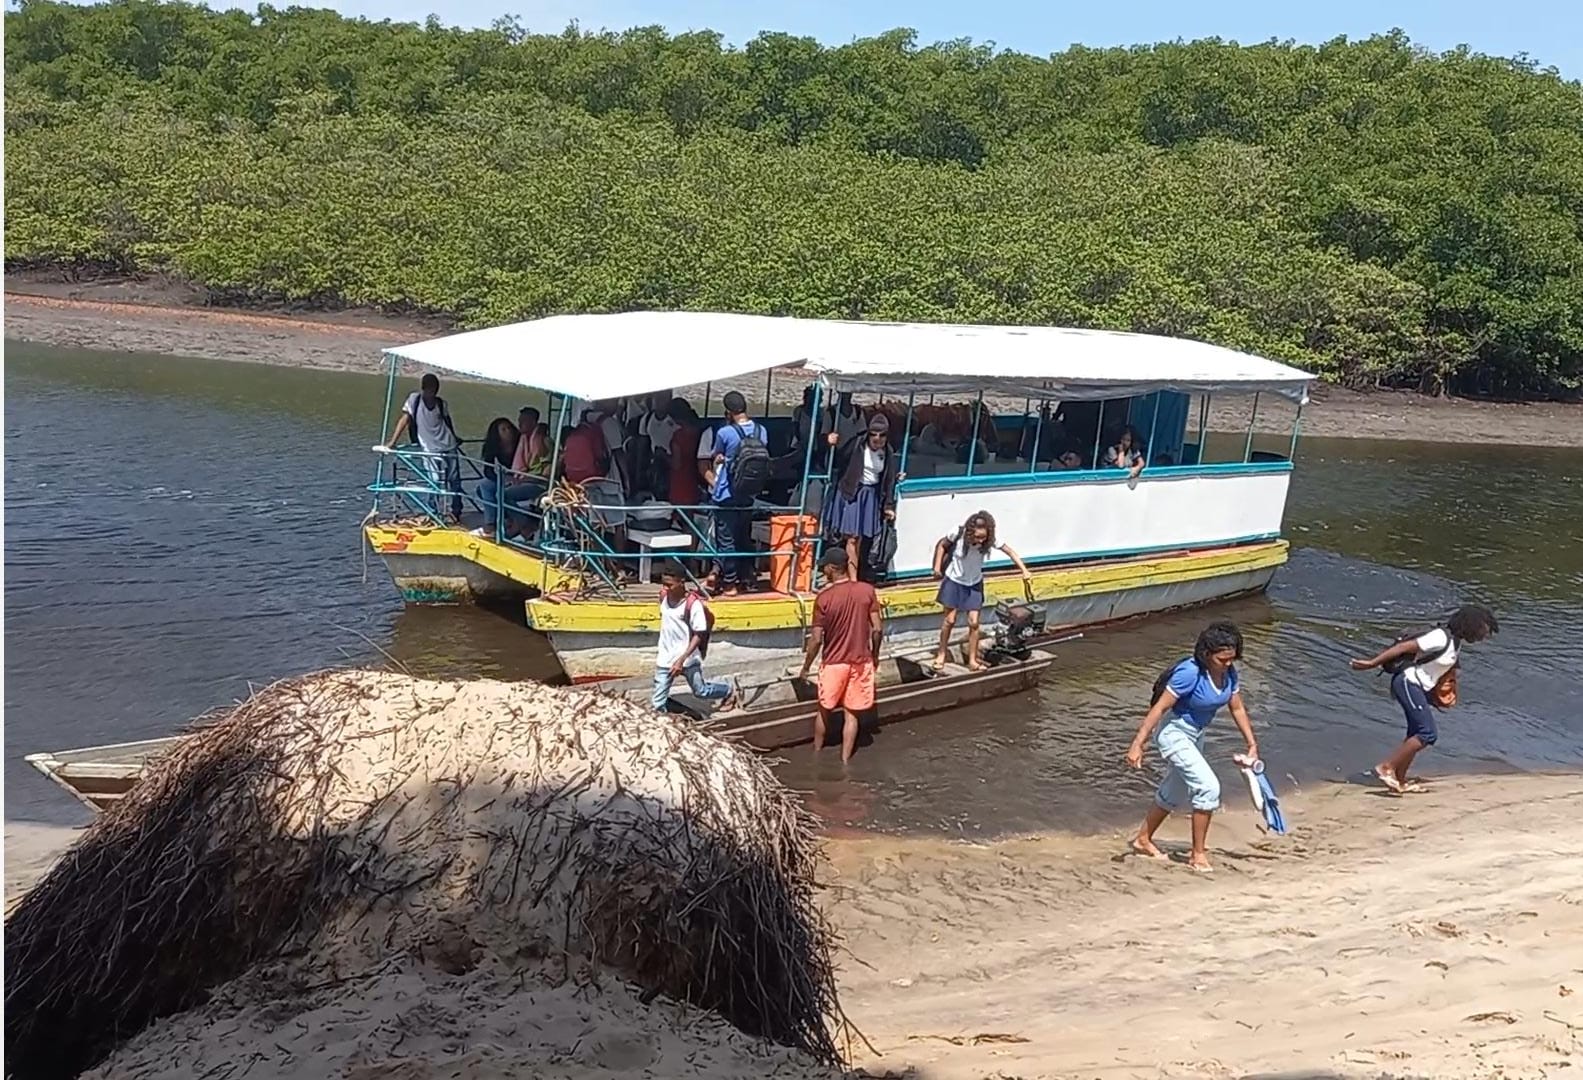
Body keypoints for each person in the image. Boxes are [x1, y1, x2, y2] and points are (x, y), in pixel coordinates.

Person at [1126, 621, 1259, 873]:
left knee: (1175, 790)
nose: (1228, 664)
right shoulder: (1190, 673)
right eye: (1222, 659)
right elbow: (1160, 708)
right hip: (1174, 732)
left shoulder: (1229, 673)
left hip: (1196, 734)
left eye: (1232, 658)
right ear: (1207, 654)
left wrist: (1252, 743)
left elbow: (1237, 708)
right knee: (1208, 787)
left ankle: (1143, 839)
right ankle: (1197, 855)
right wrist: (1137, 744)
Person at [1349, 604, 1500, 794]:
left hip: (1417, 687)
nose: (1483, 636)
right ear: (1470, 625)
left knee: (1415, 732)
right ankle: (1386, 767)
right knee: (1427, 733)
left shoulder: (1455, 642)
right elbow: (1402, 647)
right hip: (1407, 682)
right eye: (1482, 630)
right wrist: (1372, 663)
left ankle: (1399, 779)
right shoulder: (1440, 636)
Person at [797, 548, 883, 763]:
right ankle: (845, 761)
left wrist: (806, 667)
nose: (822, 571)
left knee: (824, 710)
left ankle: (817, 754)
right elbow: (877, 629)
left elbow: (816, 639)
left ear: (832, 568)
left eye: (824, 567)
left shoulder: (824, 598)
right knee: (851, 715)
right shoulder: (867, 591)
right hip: (861, 661)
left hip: (834, 663)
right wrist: (875, 655)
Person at [931, 511, 1032, 672]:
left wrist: (1024, 570)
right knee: (949, 620)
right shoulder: (958, 533)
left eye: (983, 538)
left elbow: (1010, 551)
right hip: (954, 580)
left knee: (974, 623)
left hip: (974, 583)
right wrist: (937, 567)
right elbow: (942, 545)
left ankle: (972, 660)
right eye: (977, 537)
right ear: (970, 532)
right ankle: (941, 654)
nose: (980, 541)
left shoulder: (989, 540)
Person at [698, 391, 769, 596]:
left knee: (726, 540)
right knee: (743, 537)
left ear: (728, 412)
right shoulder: (761, 430)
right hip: (748, 493)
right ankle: (746, 577)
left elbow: (717, 454)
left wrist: (721, 459)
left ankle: (729, 583)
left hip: (726, 493)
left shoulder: (725, 432)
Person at [651, 562, 739, 713]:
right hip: (665, 657)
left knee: (701, 691)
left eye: (669, 585)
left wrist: (681, 660)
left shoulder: (693, 605)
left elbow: (699, 634)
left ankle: (728, 690)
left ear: (681, 582)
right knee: (657, 703)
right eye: (663, 584)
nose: (665, 588)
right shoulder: (664, 597)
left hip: (688, 658)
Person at [826, 413, 901, 575]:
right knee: (852, 537)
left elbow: (888, 480)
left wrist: (888, 505)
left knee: (861, 538)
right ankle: (852, 578)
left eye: (882, 435)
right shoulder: (857, 444)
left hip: (870, 495)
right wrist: (830, 442)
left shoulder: (887, 452)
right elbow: (838, 458)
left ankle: (854, 572)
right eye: (873, 434)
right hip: (853, 492)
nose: (877, 439)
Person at [382, 373, 462, 521]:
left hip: (448, 445)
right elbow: (404, 419)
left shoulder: (441, 404)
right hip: (429, 449)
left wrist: (455, 438)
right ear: (423, 389)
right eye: (430, 390)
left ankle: (456, 511)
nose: (432, 394)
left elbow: (447, 422)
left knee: (454, 480)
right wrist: (392, 442)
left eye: (435, 390)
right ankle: (433, 512)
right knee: (434, 480)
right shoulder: (414, 400)